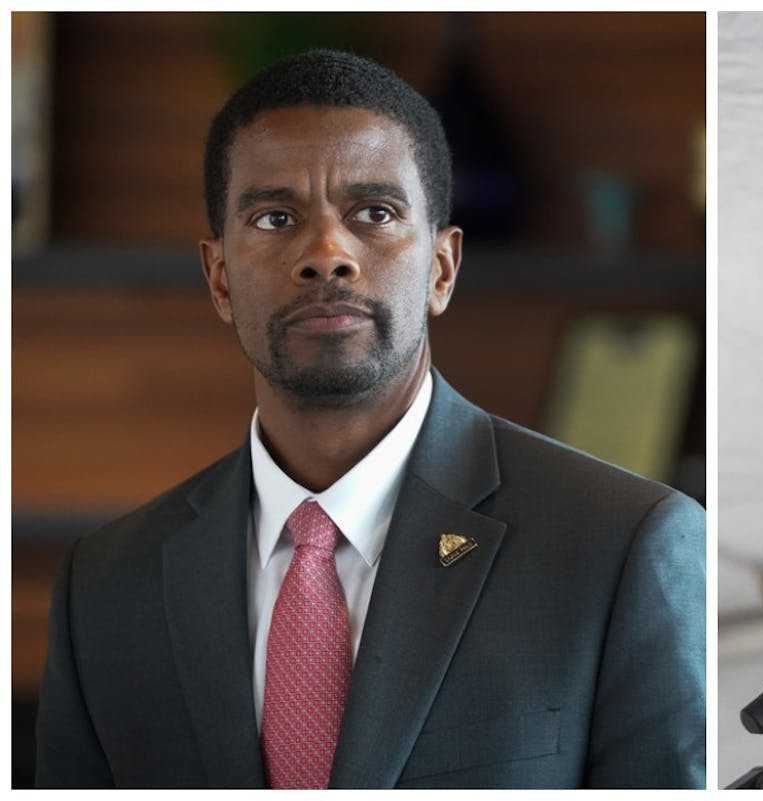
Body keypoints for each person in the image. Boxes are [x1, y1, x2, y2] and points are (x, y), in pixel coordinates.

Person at [34, 49, 706, 789]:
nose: (326, 253)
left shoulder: (621, 545)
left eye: (375, 213)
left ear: (442, 269)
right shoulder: (105, 586)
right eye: (275, 216)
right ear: (220, 277)